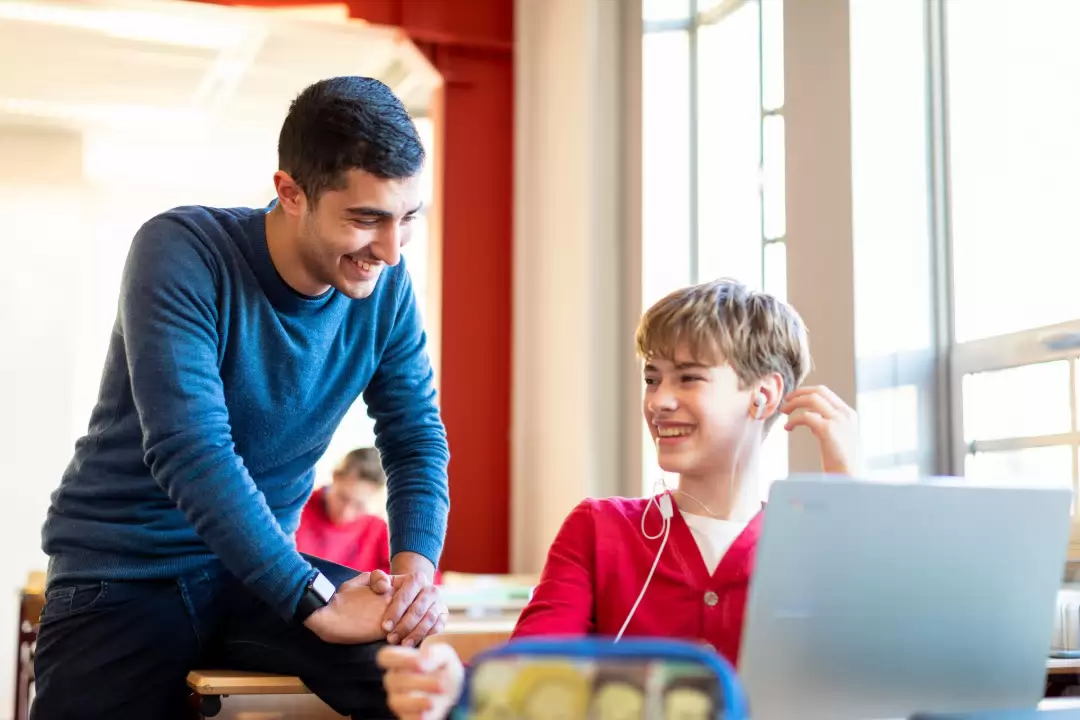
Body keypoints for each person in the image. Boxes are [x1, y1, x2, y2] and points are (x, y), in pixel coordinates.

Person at [33, 76, 450, 720]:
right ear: (290, 193)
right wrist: (314, 598)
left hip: (256, 573)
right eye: (366, 219)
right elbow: (191, 450)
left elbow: (415, 433)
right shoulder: (180, 252)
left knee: (417, 685)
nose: (391, 251)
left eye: (407, 219)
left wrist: (413, 581)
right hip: (122, 574)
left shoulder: (385, 288)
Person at [376, 278, 861, 720]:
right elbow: (524, 677)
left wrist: (851, 494)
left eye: (688, 377)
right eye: (652, 378)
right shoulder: (598, 529)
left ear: (763, 396)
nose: (658, 401)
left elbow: (860, 682)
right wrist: (455, 684)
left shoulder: (810, 546)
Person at [297, 447, 393, 572]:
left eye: (359, 506)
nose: (346, 513)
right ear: (334, 477)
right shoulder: (298, 507)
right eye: (342, 498)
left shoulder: (381, 533)